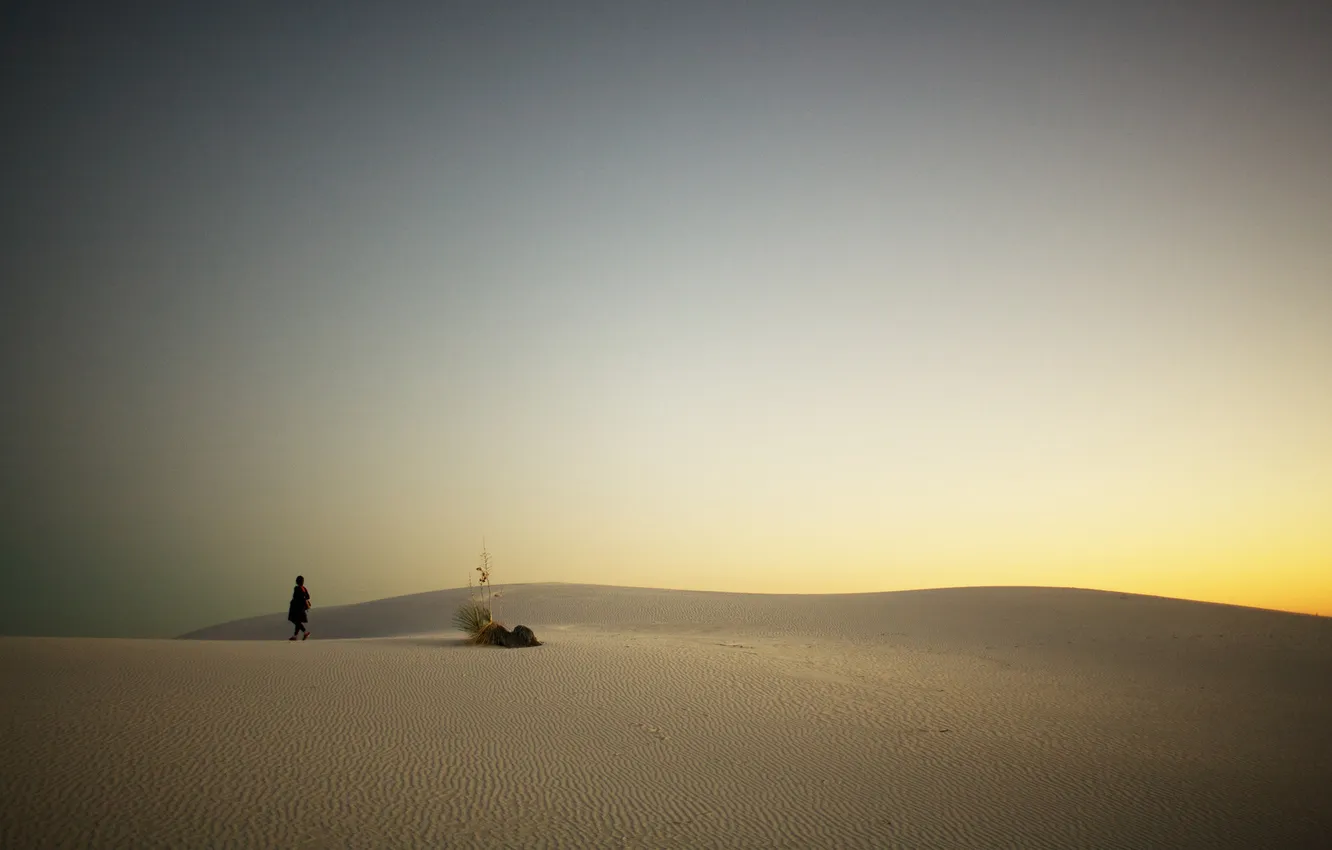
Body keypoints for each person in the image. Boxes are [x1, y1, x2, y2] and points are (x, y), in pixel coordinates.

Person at [288, 575, 311, 640]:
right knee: (298, 621)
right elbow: (308, 597)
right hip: (302, 607)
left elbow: (295, 597)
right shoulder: (304, 588)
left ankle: (297, 635)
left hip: (296, 608)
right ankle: (302, 634)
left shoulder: (297, 588)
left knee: (295, 620)